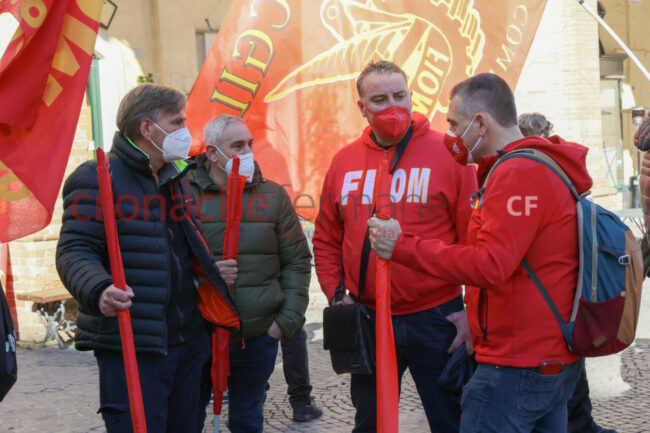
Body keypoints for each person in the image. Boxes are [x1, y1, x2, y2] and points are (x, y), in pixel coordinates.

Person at [368, 73, 587, 432]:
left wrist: (401, 246)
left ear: (480, 123)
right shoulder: (535, 164)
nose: (451, 136)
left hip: (517, 364)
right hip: (546, 356)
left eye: (454, 124)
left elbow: (490, 265)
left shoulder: (517, 173)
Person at [56, 84, 239, 433]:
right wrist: (99, 289)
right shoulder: (97, 177)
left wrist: (208, 272)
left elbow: (181, 249)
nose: (185, 130)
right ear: (146, 129)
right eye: (177, 122)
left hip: (187, 340)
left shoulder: (178, 178)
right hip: (134, 342)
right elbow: (74, 250)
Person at [312, 60, 478, 433]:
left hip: (438, 318)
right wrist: (338, 295)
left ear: (411, 95)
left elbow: (476, 241)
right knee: (369, 422)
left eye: (400, 95)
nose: (393, 106)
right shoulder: (343, 162)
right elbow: (326, 238)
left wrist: (472, 314)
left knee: (450, 420)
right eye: (380, 98)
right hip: (368, 317)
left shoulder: (451, 154)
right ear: (362, 107)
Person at [188, 114, 311, 432]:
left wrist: (283, 323)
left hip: (255, 337)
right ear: (213, 153)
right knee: (187, 419)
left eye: (249, 144)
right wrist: (205, 274)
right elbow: (168, 258)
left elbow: (297, 261)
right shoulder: (183, 195)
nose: (247, 152)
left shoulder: (272, 196)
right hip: (197, 334)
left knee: (247, 419)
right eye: (237, 145)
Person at [518, 112, 617, 433]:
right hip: (574, 286)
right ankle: (582, 423)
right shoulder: (569, 167)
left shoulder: (523, 171)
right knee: (571, 366)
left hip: (541, 293)